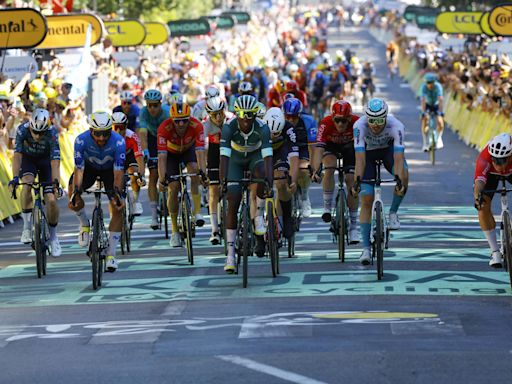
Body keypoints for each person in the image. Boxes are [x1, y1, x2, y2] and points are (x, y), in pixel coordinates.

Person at [351, 98, 409, 265]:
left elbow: (398, 158)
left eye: (379, 121)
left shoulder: (396, 126)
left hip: (387, 153)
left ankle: (393, 213)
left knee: (404, 173)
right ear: (366, 118)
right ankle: (366, 249)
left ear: (386, 117)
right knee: (366, 197)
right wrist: (357, 182)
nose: (375, 125)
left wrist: (399, 179)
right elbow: (360, 160)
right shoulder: (359, 127)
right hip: (367, 156)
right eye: (372, 121)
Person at [219, 95, 273, 273]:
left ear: (255, 114)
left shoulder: (263, 128)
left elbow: (268, 158)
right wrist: (222, 182)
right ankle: (230, 254)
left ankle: (257, 216)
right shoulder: (228, 127)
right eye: (242, 114)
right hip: (234, 159)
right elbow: (224, 158)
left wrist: (269, 183)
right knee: (232, 201)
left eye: (250, 114)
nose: (245, 119)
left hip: (254, 157)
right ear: (236, 114)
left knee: (262, 175)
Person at [68, 111, 126, 272]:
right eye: (97, 134)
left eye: (105, 134)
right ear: (91, 130)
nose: (101, 138)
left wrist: (116, 193)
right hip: (89, 170)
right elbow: (79, 169)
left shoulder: (119, 141)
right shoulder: (81, 140)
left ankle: (111, 254)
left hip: (110, 172)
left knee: (118, 206)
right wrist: (77, 191)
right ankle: (84, 223)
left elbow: (119, 171)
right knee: (73, 191)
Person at [9, 109, 62, 256]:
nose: (37, 136)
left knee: (51, 200)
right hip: (28, 161)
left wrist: (55, 182)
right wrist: (14, 177)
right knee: (26, 185)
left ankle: (53, 237)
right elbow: (17, 156)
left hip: (46, 163)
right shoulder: (22, 130)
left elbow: (55, 161)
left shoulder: (52, 133)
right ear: (30, 125)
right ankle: (26, 227)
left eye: (40, 133)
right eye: (34, 132)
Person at [157, 101, 207, 247]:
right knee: (173, 187)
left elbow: (200, 153)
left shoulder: (197, 126)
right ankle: (174, 231)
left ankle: (197, 212)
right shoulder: (164, 128)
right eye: (177, 121)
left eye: (185, 120)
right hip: (171, 154)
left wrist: (203, 173)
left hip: (188, 150)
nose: (181, 124)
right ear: (172, 120)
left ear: (189, 119)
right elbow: (162, 158)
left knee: (194, 169)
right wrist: (161, 179)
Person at [311, 100, 360, 244]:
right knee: (330, 168)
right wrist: (315, 169)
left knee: (351, 180)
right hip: (331, 147)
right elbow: (318, 149)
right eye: (337, 120)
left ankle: (353, 227)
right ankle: (327, 207)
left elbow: (361, 151)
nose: (340, 124)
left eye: (344, 121)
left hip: (349, 147)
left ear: (350, 119)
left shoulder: (357, 123)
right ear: (332, 118)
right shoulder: (325, 123)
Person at [474, 133, 512, 268]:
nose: (499, 164)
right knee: (482, 205)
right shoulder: (485, 158)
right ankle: (495, 251)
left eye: (503, 161)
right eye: (495, 160)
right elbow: (479, 182)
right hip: (490, 175)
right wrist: (478, 198)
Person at [264, 107, 299, 239]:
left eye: (277, 133)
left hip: (280, 152)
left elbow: (294, 158)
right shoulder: (259, 127)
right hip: (263, 152)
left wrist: (293, 180)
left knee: (281, 182)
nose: (273, 137)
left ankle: (286, 217)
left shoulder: (289, 129)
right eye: (271, 134)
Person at [203, 96, 234, 244]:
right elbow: (201, 149)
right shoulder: (206, 125)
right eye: (214, 114)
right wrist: (203, 170)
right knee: (213, 190)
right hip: (214, 152)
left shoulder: (231, 119)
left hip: (232, 150)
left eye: (220, 113)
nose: (218, 117)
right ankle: (214, 230)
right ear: (209, 114)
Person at [138, 89, 170, 229]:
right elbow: (143, 134)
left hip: (166, 137)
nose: (152, 108)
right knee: (153, 175)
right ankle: (154, 216)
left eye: (155, 105)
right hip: (151, 139)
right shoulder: (143, 112)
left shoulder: (167, 113)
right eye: (149, 105)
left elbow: (171, 134)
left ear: (160, 104)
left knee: (168, 172)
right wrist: (145, 151)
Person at [282, 97, 317, 217]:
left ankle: (305, 196)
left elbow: (313, 148)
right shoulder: (279, 121)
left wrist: (312, 167)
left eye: (294, 117)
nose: (291, 120)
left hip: (302, 149)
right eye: (288, 117)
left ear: (300, 114)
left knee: (304, 169)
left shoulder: (308, 121)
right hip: (285, 148)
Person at [112, 112, 146, 215]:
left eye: (121, 127)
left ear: (126, 127)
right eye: (115, 127)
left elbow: (139, 158)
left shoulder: (132, 136)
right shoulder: (106, 137)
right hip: (115, 157)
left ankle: (135, 201)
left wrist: (141, 176)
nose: (118, 130)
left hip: (129, 155)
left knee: (134, 173)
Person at [420, 73, 445, 151]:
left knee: (440, 122)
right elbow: (423, 100)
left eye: (431, 83)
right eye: (427, 83)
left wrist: (440, 112)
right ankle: (425, 143)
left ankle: (439, 138)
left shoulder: (438, 86)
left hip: (436, 105)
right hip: (427, 104)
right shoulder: (424, 87)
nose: (429, 84)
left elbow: (440, 99)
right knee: (425, 120)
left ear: (434, 82)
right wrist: (423, 112)